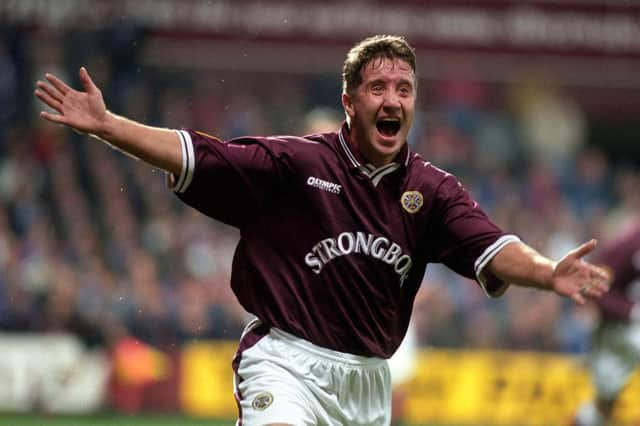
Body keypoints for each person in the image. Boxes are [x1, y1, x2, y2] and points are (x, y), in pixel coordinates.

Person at [35, 34, 610, 426]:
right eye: (377, 88)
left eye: (403, 89)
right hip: (285, 362)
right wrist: (109, 125)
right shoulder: (295, 165)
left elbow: (493, 246)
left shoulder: (432, 192)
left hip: (367, 385)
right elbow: (196, 155)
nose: (392, 100)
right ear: (348, 101)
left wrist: (545, 271)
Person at [574, 218, 640, 426]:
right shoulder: (630, 243)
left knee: (604, 405)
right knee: (604, 404)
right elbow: (595, 285)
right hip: (621, 330)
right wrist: (632, 311)